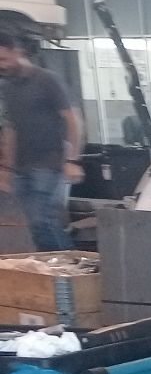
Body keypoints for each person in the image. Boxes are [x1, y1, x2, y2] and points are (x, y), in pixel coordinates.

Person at [0, 31, 83, 251]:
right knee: (36, 225)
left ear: (17, 52)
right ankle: (56, 264)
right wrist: (7, 168)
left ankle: (69, 264)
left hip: (49, 163)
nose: (2, 65)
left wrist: (72, 160)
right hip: (21, 168)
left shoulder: (46, 80)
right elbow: (11, 128)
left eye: (4, 59)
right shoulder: (7, 88)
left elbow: (72, 120)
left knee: (42, 220)